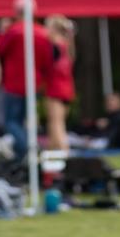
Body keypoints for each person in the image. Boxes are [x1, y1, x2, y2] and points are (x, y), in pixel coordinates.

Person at [0, 2, 55, 160]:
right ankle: (21, 153)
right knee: (25, 119)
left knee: (11, 121)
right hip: (34, 82)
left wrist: (1, 32)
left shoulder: (14, 31)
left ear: (17, 12)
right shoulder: (42, 33)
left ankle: (27, 147)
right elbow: (47, 61)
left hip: (14, 83)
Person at [44, 15, 75, 150]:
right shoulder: (67, 45)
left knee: (57, 124)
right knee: (55, 124)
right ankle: (52, 152)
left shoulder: (53, 45)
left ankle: (64, 152)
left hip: (56, 88)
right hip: (67, 88)